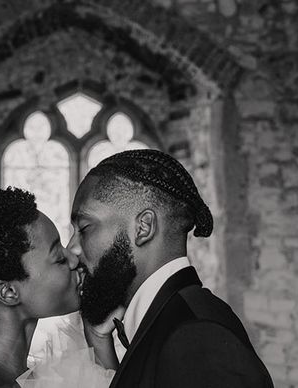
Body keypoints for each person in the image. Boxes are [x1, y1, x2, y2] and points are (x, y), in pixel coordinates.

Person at [69, 148, 274, 388]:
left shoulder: (198, 337)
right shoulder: (171, 319)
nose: (72, 249)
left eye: (84, 228)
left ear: (143, 227)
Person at [0, 186, 119, 388]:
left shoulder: (10, 372)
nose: (74, 259)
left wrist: (99, 341)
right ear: (8, 292)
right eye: (59, 259)